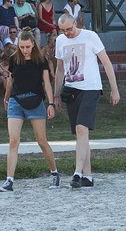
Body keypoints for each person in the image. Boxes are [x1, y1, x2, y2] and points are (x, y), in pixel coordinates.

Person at [52, 11, 121, 188]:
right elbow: (60, 69)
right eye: (63, 30)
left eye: (69, 29)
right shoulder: (60, 41)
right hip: (71, 88)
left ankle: (77, 173)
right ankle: (88, 176)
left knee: (81, 128)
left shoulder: (90, 36)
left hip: (91, 87)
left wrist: (114, 89)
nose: (67, 33)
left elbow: (106, 62)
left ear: (75, 23)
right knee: (81, 134)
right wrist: (56, 94)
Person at [0, 31, 59, 191]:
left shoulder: (41, 60)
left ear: (33, 45)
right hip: (16, 101)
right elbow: (10, 80)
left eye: (28, 47)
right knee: (13, 141)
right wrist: (6, 98)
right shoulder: (14, 59)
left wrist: (51, 103)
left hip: (35, 101)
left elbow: (46, 83)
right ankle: (9, 180)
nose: (25, 50)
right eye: (22, 47)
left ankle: (54, 173)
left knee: (41, 141)